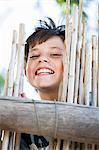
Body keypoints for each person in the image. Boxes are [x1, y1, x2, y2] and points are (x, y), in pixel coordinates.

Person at [20, 17, 65, 150]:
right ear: (25, 71)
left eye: (55, 54)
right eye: (34, 56)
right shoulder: (22, 128)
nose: (43, 59)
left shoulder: (94, 104)